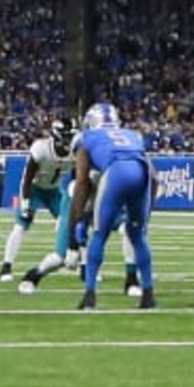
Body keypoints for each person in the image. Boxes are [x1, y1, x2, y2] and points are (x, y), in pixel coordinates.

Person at [68, 101, 155, 311]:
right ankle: (148, 295)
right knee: (138, 236)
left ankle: (90, 295)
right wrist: (148, 211)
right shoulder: (132, 135)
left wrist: (76, 222)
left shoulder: (86, 138)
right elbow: (154, 175)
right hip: (142, 173)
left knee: (99, 234)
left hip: (116, 172)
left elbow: (81, 183)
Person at [0, 119, 73, 287]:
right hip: (34, 189)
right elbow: (27, 177)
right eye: (66, 135)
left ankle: (85, 267)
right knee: (20, 226)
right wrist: (25, 202)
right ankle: (6, 266)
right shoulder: (41, 148)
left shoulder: (76, 150)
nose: (69, 139)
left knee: (73, 224)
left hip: (55, 191)